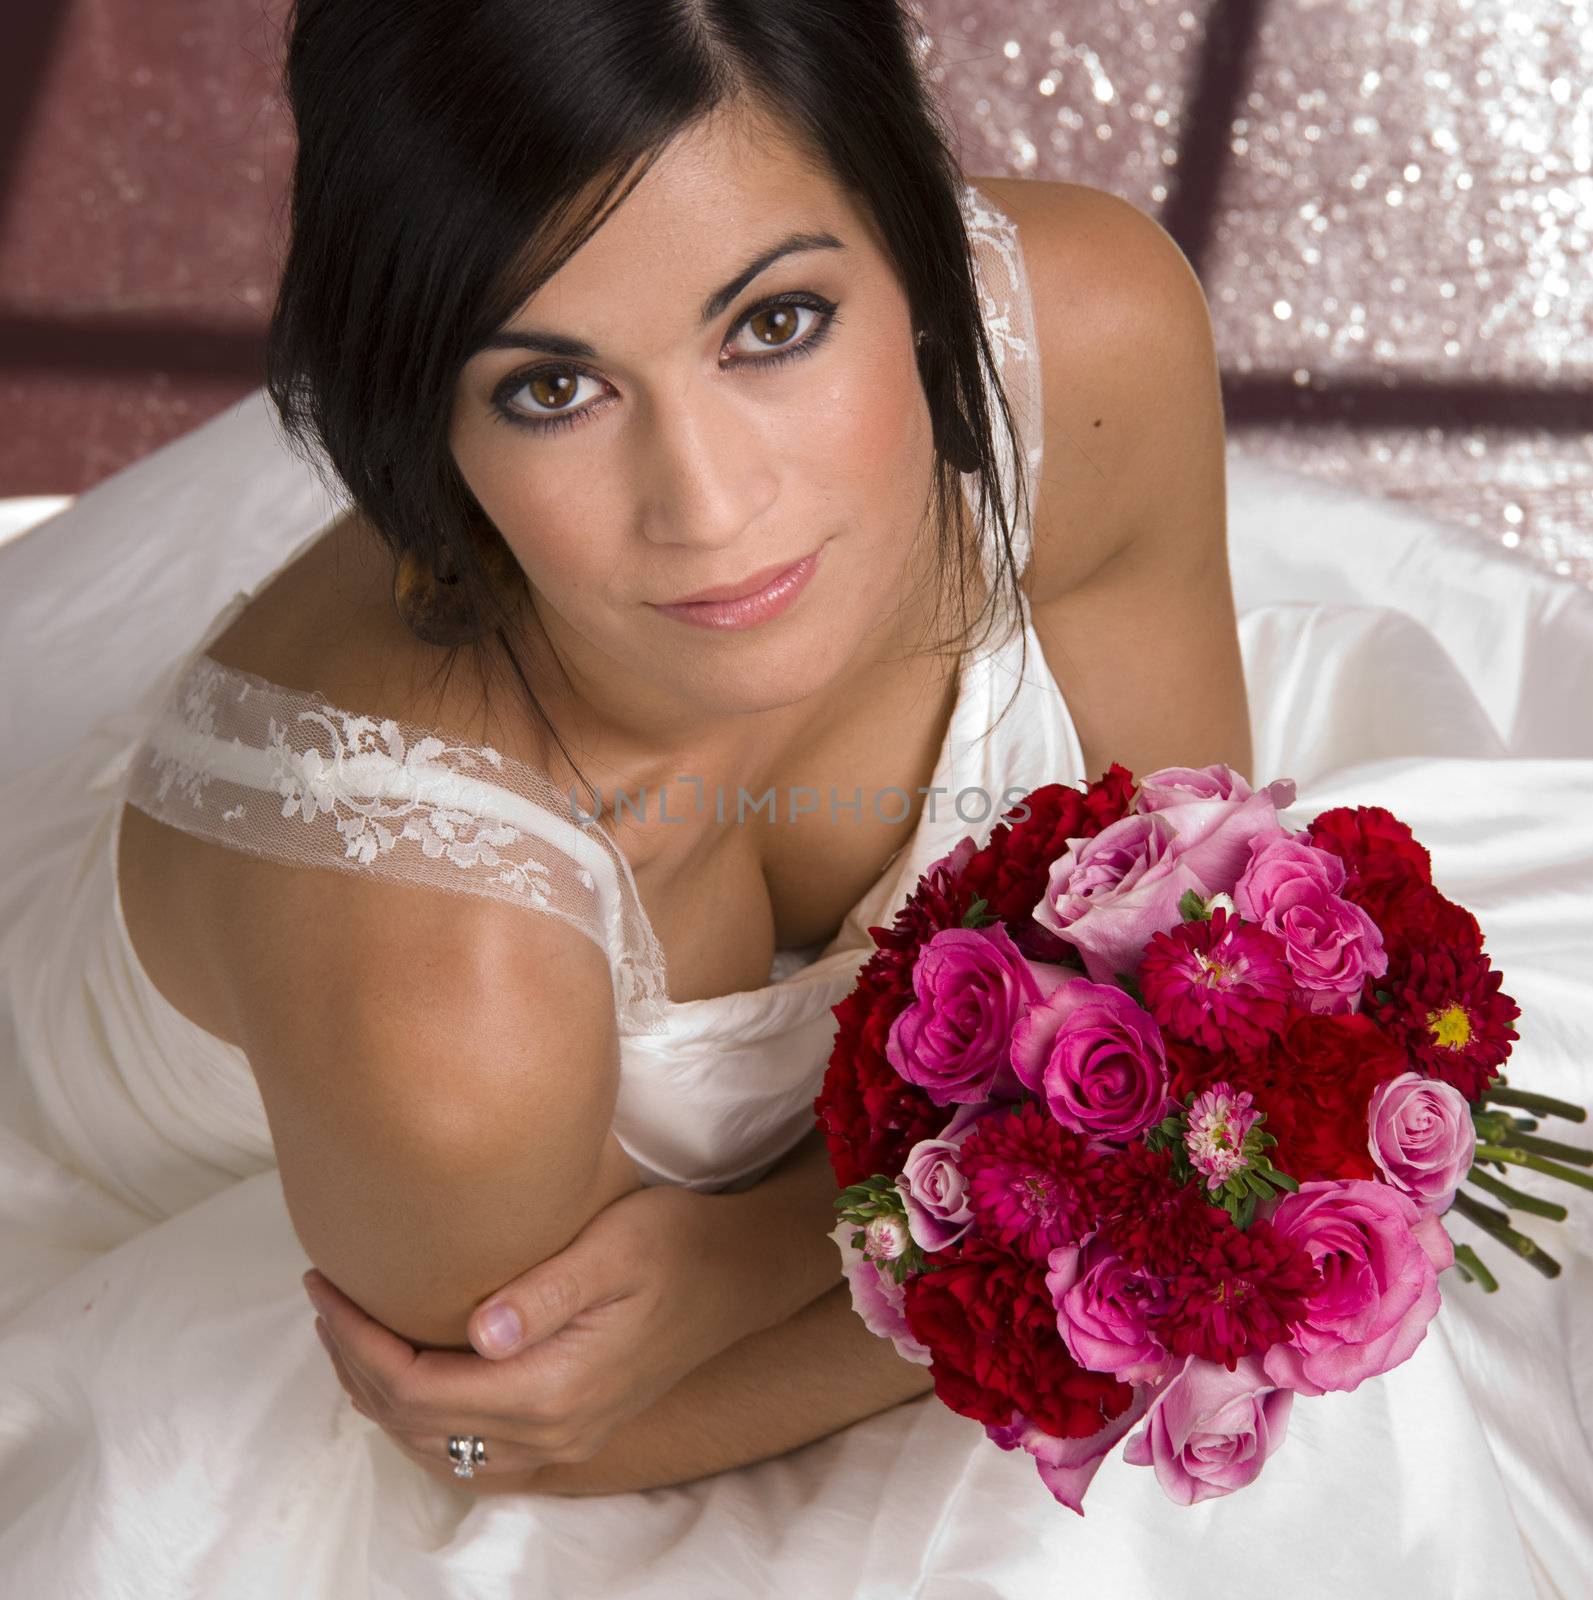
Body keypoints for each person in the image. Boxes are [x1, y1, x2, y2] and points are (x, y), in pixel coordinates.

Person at [0, 2, 1589, 1595]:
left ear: (915, 242)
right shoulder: (433, 965)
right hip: (246, 1197)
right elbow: (510, 1432)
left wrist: (756, 1253)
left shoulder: (1083, 340)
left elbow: (1182, 945)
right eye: (549, 390)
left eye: (773, 326)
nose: (708, 508)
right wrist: (1068, 1258)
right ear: (422, 416)